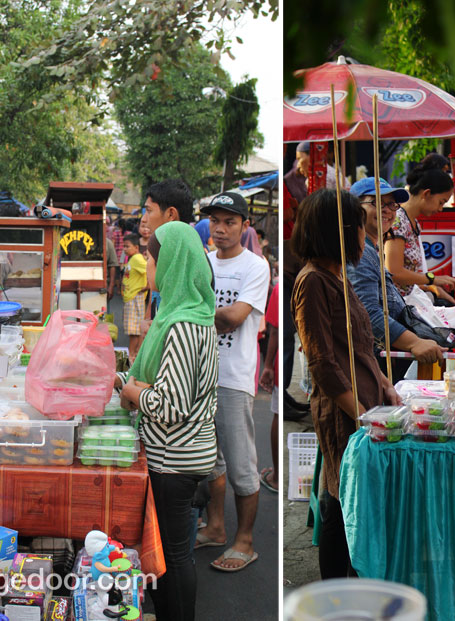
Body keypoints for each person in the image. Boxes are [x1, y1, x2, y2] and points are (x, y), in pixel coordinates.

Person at [292, 188, 401, 578]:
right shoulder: (312, 282)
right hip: (343, 412)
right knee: (340, 502)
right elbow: (322, 362)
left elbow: (361, 345)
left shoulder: (338, 275)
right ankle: (336, 590)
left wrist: (386, 385)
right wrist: (360, 415)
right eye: (358, 225)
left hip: (366, 403)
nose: (365, 233)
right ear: (337, 231)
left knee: (354, 498)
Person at [116, 221, 218, 621]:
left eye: (152, 259)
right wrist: (125, 382)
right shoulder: (184, 313)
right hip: (178, 454)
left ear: (173, 264)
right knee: (169, 555)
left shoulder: (182, 325)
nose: (148, 266)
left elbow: (169, 406)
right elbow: (159, 383)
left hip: (175, 459)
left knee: (174, 557)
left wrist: (132, 392)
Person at [194, 192, 270, 572]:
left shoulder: (256, 266)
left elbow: (235, 317)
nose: (220, 229)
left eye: (230, 222)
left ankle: (245, 541)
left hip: (234, 378)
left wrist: (192, 311)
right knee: (210, 461)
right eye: (215, 221)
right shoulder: (203, 262)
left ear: (244, 226)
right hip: (199, 374)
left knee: (241, 464)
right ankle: (216, 527)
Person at [347, 177, 445, 380]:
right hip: (368, 368)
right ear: (354, 208)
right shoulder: (360, 254)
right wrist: (414, 343)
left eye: (392, 205)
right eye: (377, 203)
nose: (387, 211)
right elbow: (367, 314)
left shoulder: (371, 249)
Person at [384, 166, 455, 303]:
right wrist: (432, 279)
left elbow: (408, 274)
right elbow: (394, 271)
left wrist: (432, 287)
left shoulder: (414, 223)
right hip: (394, 303)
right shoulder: (398, 221)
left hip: (406, 299)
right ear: (426, 194)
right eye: (441, 202)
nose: (441, 209)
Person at [258, 283, 279, 493]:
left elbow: (274, 331)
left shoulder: (278, 289)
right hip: (284, 363)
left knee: (277, 414)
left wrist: (268, 365)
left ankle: (276, 478)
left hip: (280, 363)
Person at [121, 233, 148, 362]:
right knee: (132, 329)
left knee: (134, 330)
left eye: (127, 246)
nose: (124, 249)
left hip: (135, 298)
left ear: (136, 247)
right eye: (124, 246)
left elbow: (149, 269)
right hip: (130, 298)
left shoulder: (137, 259)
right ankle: (133, 355)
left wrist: (148, 286)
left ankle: (132, 356)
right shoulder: (132, 259)